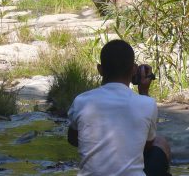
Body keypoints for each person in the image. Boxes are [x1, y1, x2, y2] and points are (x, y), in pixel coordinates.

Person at [67, 39, 171, 176]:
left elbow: (73, 139)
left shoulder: (82, 101)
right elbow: (147, 145)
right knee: (161, 142)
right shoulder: (147, 104)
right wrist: (144, 91)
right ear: (134, 69)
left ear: (100, 70)